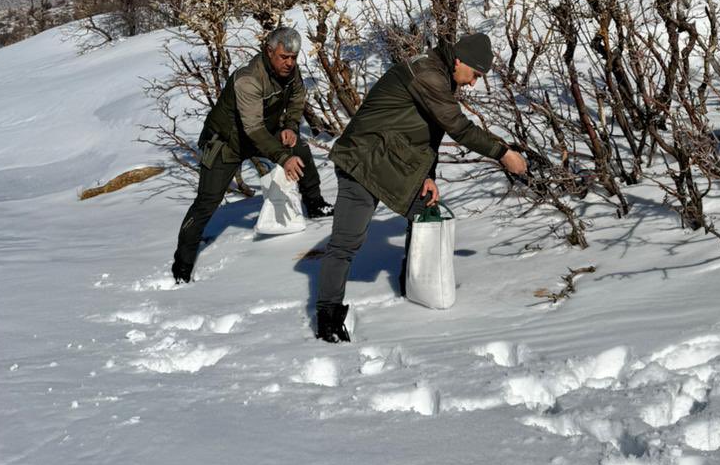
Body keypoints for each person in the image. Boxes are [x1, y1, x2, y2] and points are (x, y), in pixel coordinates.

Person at [314, 32, 527, 340]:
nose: (473, 83)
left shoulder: (440, 74)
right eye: (475, 74)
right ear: (459, 60)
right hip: (361, 160)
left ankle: (415, 283)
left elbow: (430, 135)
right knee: (346, 243)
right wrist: (503, 153)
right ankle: (328, 317)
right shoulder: (428, 74)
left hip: (389, 161)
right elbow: (458, 128)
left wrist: (428, 176)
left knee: (423, 209)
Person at [172, 26, 330, 283]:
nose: (289, 63)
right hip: (226, 143)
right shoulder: (248, 79)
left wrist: (290, 126)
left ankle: (315, 203)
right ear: (269, 52)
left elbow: (298, 97)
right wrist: (282, 157)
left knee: (298, 148)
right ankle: (182, 265)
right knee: (206, 202)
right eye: (283, 57)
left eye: (293, 58)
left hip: (258, 134)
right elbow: (253, 129)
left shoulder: (290, 72)